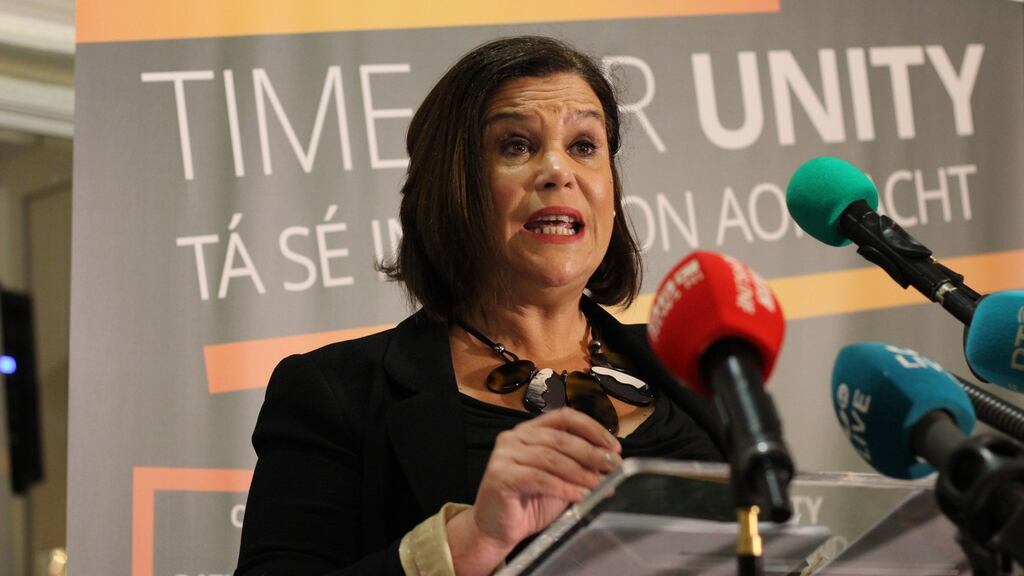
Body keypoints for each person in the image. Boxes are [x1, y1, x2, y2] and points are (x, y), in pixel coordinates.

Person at [235, 36, 724, 576]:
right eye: (515, 146)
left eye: (584, 145)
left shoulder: (695, 369)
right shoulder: (335, 393)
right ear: (452, 186)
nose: (558, 171)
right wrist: (468, 540)